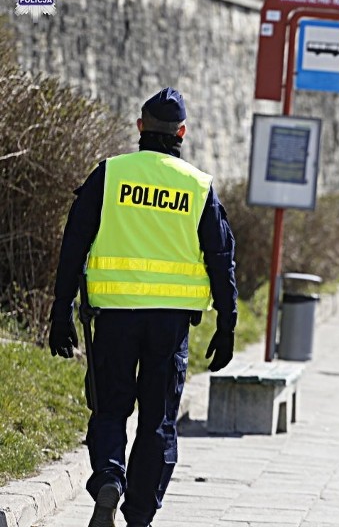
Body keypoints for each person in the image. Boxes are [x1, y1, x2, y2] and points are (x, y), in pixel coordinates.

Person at [47, 87, 238, 527]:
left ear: (139, 127)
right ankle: (139, 515)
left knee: (110, 408)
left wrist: (61, 309)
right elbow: (221, 258)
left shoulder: (110, 174)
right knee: (158, 422)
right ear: (182, 133)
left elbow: (74, 241)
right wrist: (226, 324)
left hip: (113, 318)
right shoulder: (198, 186)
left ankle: (110, 477)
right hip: (170, 327)